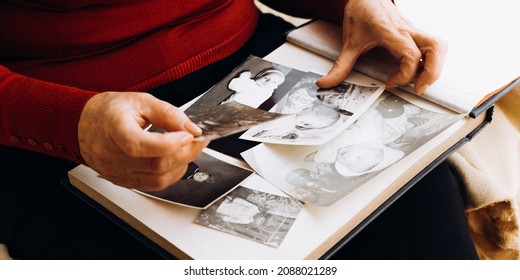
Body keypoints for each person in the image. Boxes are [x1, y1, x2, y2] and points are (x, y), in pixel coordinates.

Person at [0, 0, 476, 259]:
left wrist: (353, 2)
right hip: (55, 111)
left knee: (409, 208)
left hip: (253, 60)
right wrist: (66, 122)